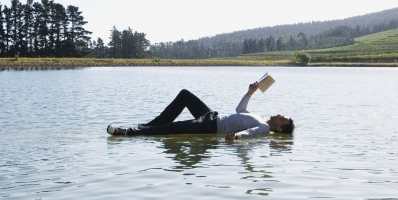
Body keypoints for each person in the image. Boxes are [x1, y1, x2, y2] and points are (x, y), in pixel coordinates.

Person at [107, 82, 294, 139]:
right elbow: (240, 109)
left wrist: (237, 137)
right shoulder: (260, 117)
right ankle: (148, 126)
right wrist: (249, 93)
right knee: (184, 95)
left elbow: (250, 133)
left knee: (174, 128)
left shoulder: (263, 127)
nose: (278, 116)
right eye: (281, 115)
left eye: (282, 120)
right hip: (212, 116)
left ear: (278, 129)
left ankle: (128, 132)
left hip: (212, 126)